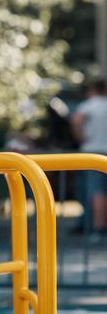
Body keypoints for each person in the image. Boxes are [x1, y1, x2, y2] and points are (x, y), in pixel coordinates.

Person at [71, 79, 107, 237]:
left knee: (95, 190)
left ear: (93, 89)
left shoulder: (89, 105)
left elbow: (76, 120)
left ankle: (98, 228)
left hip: (92, 152)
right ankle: (91, 224)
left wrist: (81, 137)